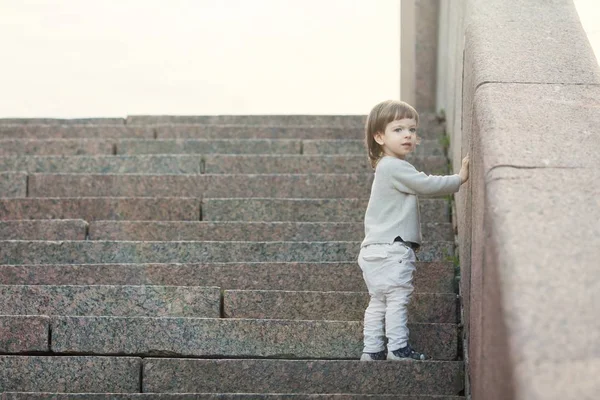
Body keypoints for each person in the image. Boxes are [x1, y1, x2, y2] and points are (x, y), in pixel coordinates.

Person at [358, 99, 469, 361]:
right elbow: (425, 184)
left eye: (412, 129)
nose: (408, 134)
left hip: (373, 249)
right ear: (379, 136)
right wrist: (459, 179)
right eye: (398, 129)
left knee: (378, 301)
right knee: (397, 298)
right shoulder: (394, 166)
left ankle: (372, 350)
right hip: (393, 248)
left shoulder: (384, 167)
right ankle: (398, 348)